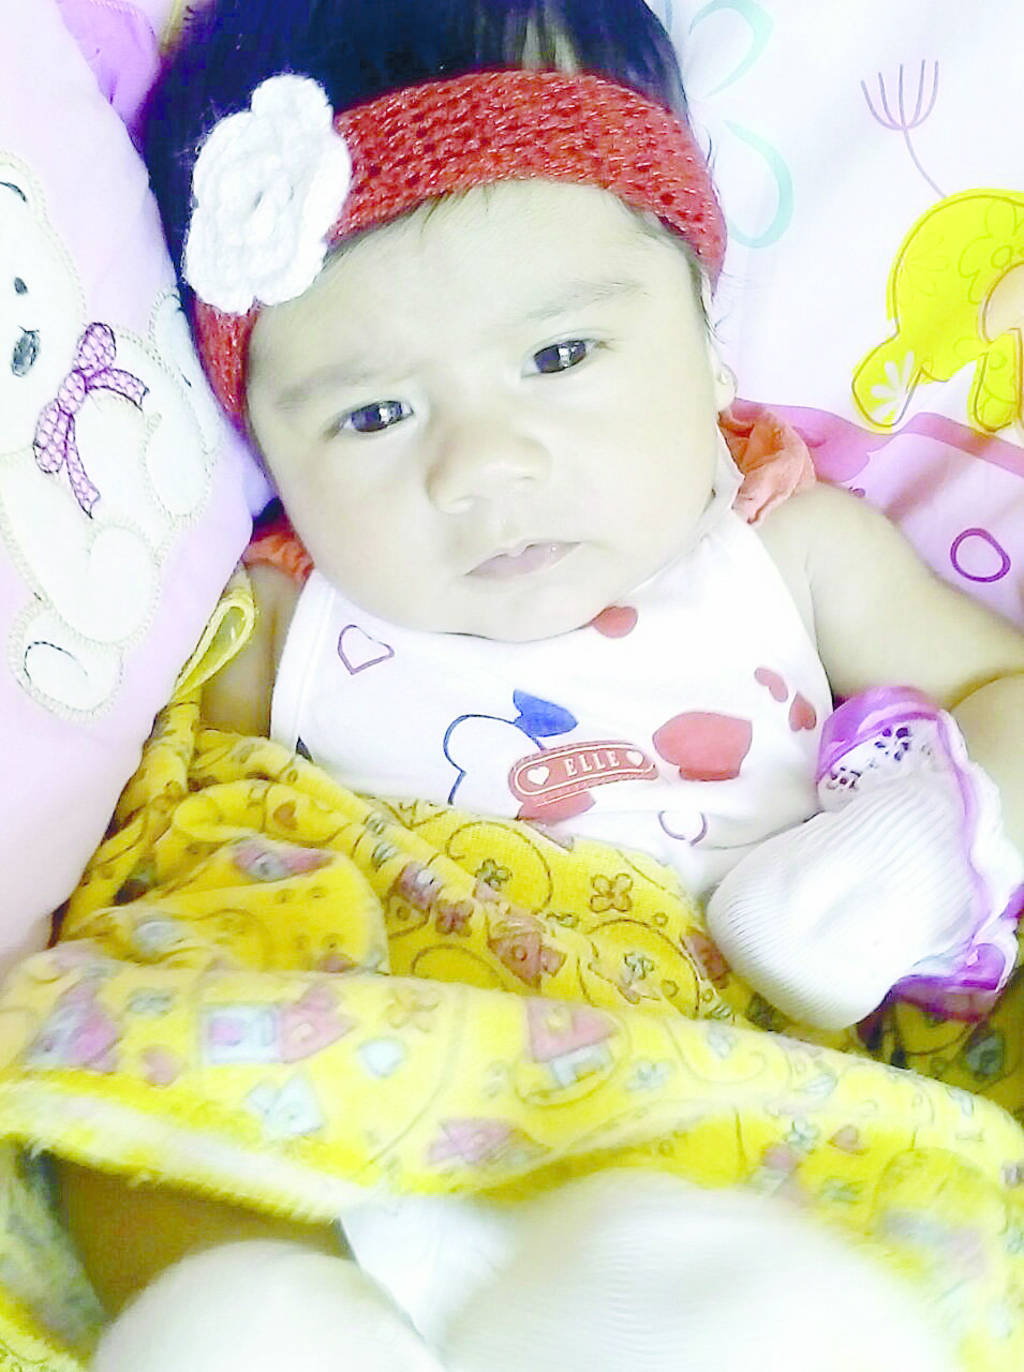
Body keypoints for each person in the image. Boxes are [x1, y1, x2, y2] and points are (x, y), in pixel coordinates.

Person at [68, 0, 1024, 1363]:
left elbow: (1004, 688)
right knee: (136, 1053)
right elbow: (168, 878)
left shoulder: (788, 552)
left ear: (703, 331)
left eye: (561, 357)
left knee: (828, 1270)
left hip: (720, 1091)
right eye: (373, 413)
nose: (483, 466)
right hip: (371, 1079)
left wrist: (911, 852)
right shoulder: (282, 610)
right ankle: (253, 1315)